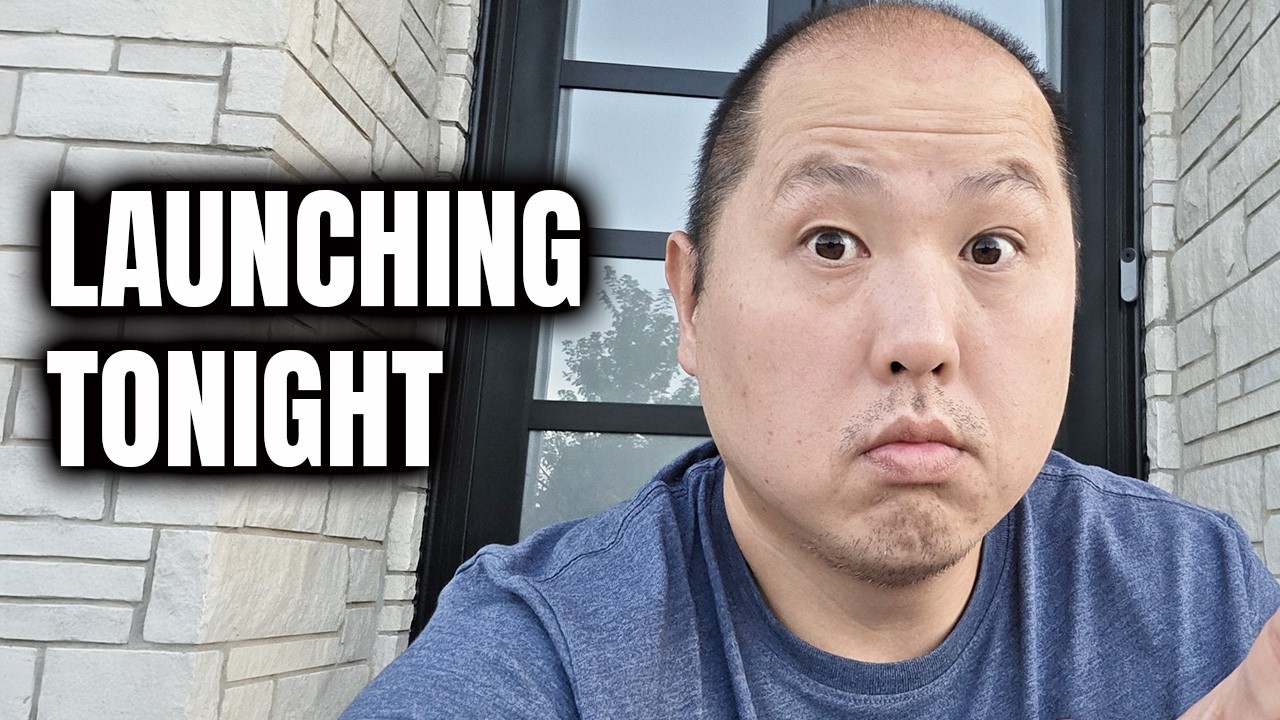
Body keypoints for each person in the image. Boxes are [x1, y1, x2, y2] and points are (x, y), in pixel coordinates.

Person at [344, 2, 1280, 717]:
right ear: (691, 303)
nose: (922, 340)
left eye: (990, 248)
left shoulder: (1194, 593)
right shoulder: (545, 656)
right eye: (831, 243)